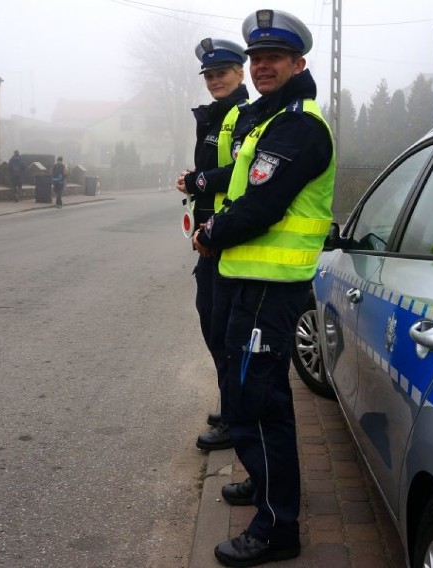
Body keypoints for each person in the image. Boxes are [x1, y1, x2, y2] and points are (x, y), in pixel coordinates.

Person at [192, 9, 335, 567]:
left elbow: (264, 202)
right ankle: (264, 484)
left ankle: (278, 527)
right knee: (247, 393)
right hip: (246, 281)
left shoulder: (300, 125)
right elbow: (237, 181)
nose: (261, 66)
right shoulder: (269, 118)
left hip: (271, 288)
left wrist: (212, 232)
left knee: (261, 400)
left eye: (273, 57)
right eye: (256, 58)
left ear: (298, 63)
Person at [177, 38, 250, 453]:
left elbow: (240, 170)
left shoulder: (242, 114)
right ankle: (230, 405)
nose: (214, 80)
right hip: (211, 236)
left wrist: (198, 181)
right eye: (208, 74)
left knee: (223, 330)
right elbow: (216, 167)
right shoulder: (216, 115)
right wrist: (196, 177)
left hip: (228, 239)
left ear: (239, 74)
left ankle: (235, 418)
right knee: (212, 325)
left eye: (221, 72)